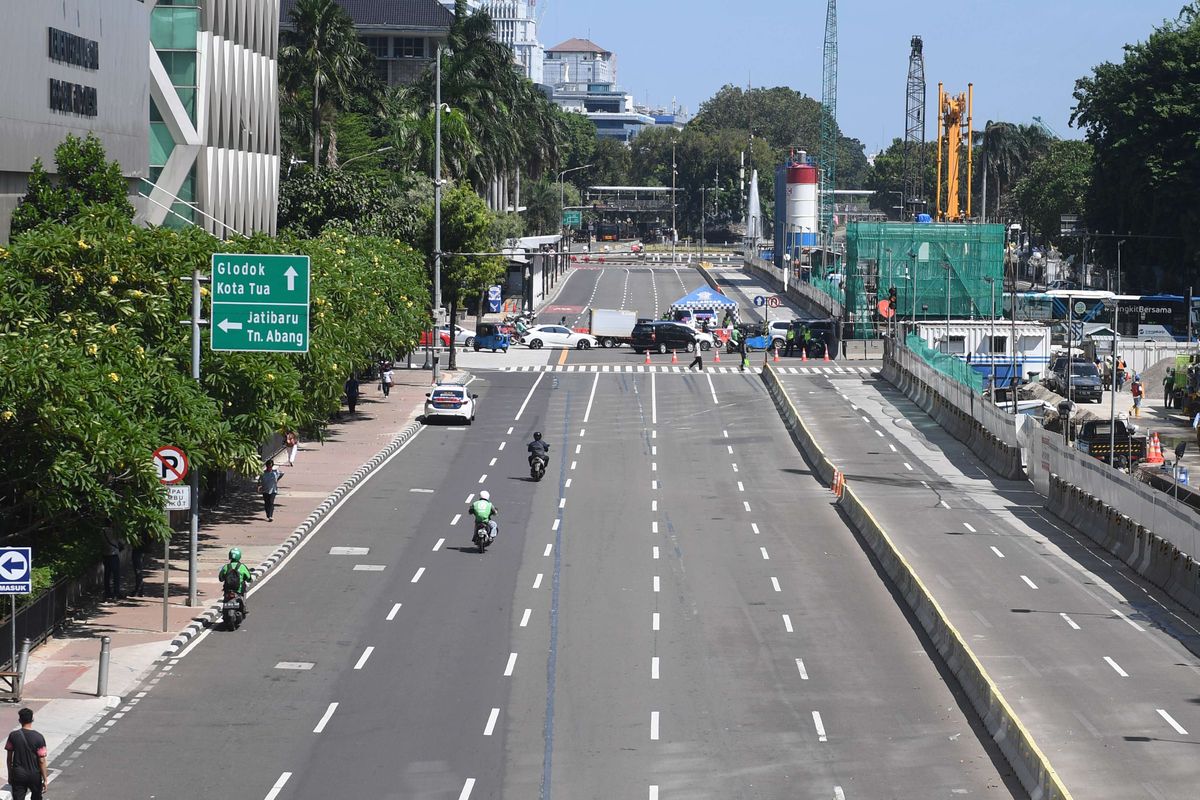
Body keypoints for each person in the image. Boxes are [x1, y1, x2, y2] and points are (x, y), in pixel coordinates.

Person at [5, 707, 48, 800]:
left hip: (18, 774)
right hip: (34, 774)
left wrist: (10, 775)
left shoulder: (13, 735)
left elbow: (9, 759)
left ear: (19, 720)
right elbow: (42, 760)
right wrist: (45, 779)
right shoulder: (39, 737)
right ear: (32, 719)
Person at [218, 548, 253, 617]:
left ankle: (224, 610)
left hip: (227, 590)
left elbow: (220, 578)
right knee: (244, 591)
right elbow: (249, 578)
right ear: (239, 556)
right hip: (239, 591)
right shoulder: (242, 567)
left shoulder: (226, 567)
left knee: (225, 598)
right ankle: (244, 608)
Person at [101, 523, 123, 600]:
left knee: (107, 575)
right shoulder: (115, 531)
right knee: (116, 575)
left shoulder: (102, 531)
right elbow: (121, 541)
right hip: (113, 555)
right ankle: (116, 593)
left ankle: (107, 593)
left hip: (105, 554)